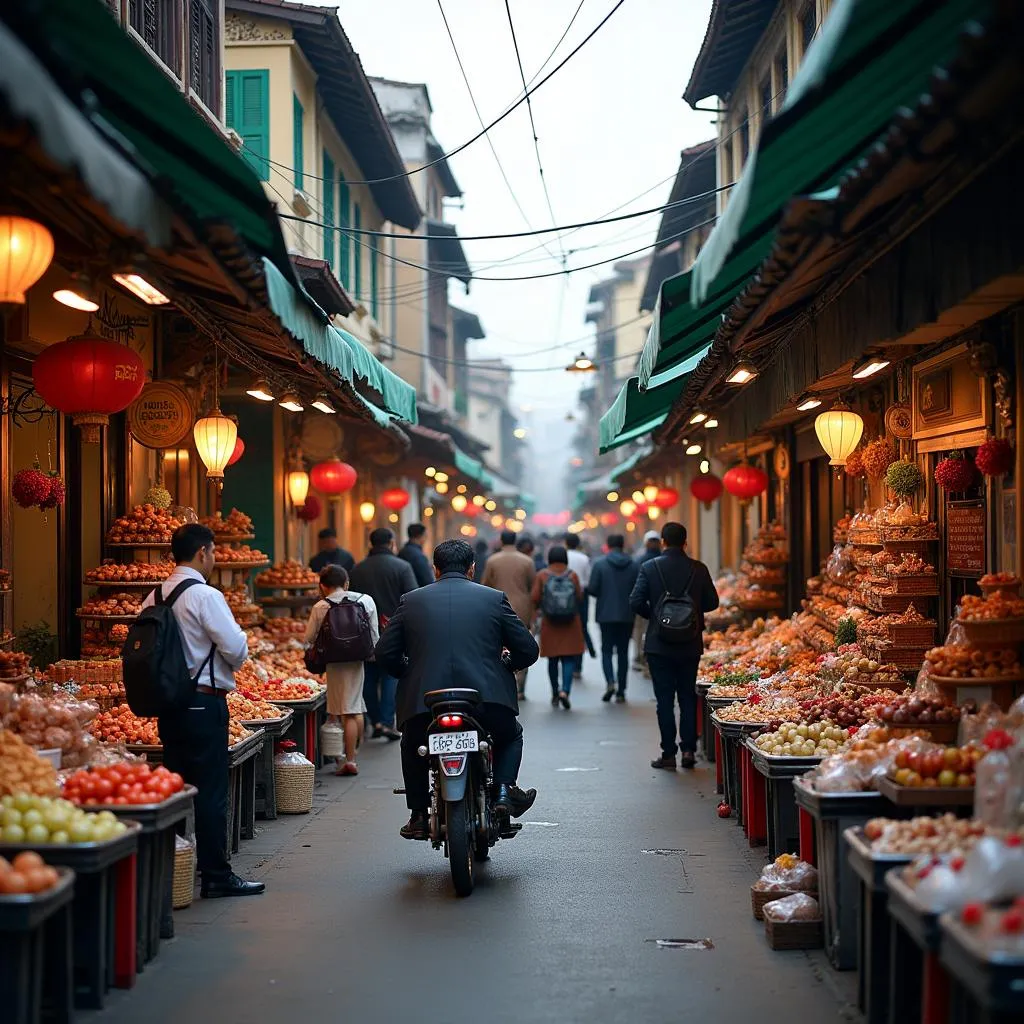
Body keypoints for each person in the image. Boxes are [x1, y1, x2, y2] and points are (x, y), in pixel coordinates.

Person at [374, 539, 540, 840]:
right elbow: (528, 649)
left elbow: (384, 653)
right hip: (486, 701)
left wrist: (408, 671)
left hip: (426, 703)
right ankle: (503, 791)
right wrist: (507, 662)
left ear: (435, 568)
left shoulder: (411, 601)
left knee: (412, 745)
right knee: (510, 735)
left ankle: (419, 815)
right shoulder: (493, 599)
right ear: (472, 568)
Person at [144, 524, 264, 899]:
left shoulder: (154, 597)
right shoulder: (204, 596)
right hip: (203, 701)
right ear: (203, 553)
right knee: (209, 791)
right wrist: (240, 639)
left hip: (168, 705)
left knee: (175, 787)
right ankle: (215, 874)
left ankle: (176, 870)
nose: (213, 559)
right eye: (212, 553)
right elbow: (235, 649)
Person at [629, 522, 719, 770]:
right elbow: (712, 602)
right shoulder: (698, 569)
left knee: (664, 700)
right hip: (690, 644)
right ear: (685, 543)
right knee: (687, 696)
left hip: (660, 645)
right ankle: (689, 750)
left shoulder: (649, 567)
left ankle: (668, 753)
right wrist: (690, 615)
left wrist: (657, 617)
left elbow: (635, 601)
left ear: (663, 542)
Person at [304, 564, 379, 776]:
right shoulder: (366, 600)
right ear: (346, 583)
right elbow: (374, 635)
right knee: (355, 705)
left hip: (334, 662)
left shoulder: (321, 606)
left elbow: (308, 638)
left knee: (346, 709)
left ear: (322, 586)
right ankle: (354, 751)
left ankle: (350, 759)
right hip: (357, 660)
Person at [350, 528, 418, 740]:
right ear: (391, 543)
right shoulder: (402, 567)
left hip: (363, 633)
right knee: (391, 676)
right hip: (394, 629)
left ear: (371, 544)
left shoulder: (357, 569)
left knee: (369, 677)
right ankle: (388, 722)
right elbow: (413, 598)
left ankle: (376, 719)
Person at [482, 529, 537, 698]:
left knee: (497, 644)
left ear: (501, 540)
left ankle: (500, 682)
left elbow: (485, 584)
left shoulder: (492, 560)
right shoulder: (527, 561)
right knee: (521, 644)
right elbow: (532, 588)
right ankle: (520, 686)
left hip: (496, 607)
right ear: (515, 541)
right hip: (522, 608)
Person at [587, 534, 640, 703]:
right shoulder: (633, 564)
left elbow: (593, 589)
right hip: (626, 614)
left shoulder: (600, 564)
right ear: (623, 545)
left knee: (607, 650)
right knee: (623, 652)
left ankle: (610, 681)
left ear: (607, 545)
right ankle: (622, 690)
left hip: (606, 614)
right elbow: (638, 588)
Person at [530, 545, 585, 709]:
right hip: (570, 623)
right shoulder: (572, 575)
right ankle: (565, 691)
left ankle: (555, 692)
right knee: (568, 659)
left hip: (550, 623)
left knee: (553, 660)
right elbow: (579, 597)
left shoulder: (542, 575)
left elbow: (534, 597)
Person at [631, 530, 662, 671]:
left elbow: (635, 584)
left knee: (640, 631)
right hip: (661, 605)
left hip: (644, 604)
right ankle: (648, 658)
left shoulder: (639, 560)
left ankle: (640, 656)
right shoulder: (663, 560)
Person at [564, 533, 593, 678]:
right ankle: (577, 666)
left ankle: (565, 659)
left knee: (565, 628)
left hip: (562, 597)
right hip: (581, 597)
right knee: (580, 629)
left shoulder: (563, 556)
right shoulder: (584, 558)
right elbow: (588, 581)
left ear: (566, 543)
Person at [398, 523, 433, 588]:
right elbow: (428, 581)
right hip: (418, 593)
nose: (426, 539)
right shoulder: (418, 556)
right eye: (425, 536)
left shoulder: (401, 552)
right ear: (420, 536)